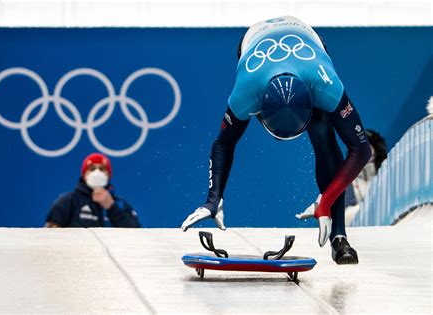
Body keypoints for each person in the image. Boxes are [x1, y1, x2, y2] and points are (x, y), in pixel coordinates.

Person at [181, 16, 372, 265]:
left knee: (323, 136)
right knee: (323, 135)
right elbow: (223, 143)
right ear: (257, 111)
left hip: (309, 44)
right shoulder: (245, 93)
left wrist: (325, 201)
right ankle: (335, 229)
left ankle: (339, 236)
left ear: (313, 103)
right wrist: (213, 198)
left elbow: (362, 149)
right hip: (253, 42)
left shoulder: (327, 86)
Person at [45, 153, 141, 228]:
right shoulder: (68, 200)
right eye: (92, 169)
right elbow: (51, 234)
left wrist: (112, 208)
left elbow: (135, 234)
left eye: (102, 169)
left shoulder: (120, 204)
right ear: (84, 174)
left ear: (108, 175)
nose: (97, 172)